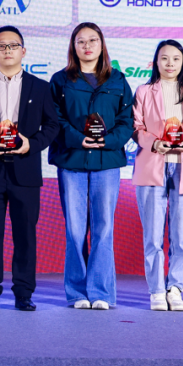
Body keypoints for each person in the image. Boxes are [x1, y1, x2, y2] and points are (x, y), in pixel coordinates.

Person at [0, 26, 59, 311]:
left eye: (13, 45)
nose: (7, 50)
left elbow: (52, 126)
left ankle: (24, 292)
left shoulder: (41, 87)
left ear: (23, 51)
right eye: (1, 46)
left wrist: (31, 144)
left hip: (25, 171)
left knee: (25, 235)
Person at [49, 22, 134, 310]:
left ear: (102, 45)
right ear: (73, 46)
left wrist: (108, 141)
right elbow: (55, 119)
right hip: (72, 161)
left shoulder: (118, 80)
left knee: (103, 228)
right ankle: (76, 292)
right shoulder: (60, 80)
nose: (87, 46)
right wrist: (77, 138)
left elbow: (127, 122)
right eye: (81, 41)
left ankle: (101, 293)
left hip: (106, 162)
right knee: (75, 230)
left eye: (93, 40)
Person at [132, 40, 183, 312]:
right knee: (153, 236)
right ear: (156, 62)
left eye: (176, 58)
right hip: (152, 165)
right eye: (164, 58)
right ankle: (155, 290)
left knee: (181, 235)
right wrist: (154, 142)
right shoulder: (143, 92)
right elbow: (136, 127)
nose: (170, 64)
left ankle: (175, 288)